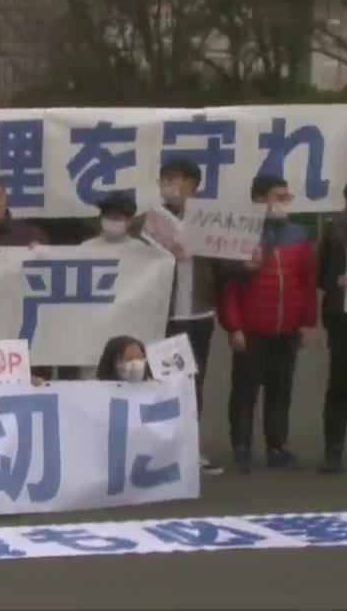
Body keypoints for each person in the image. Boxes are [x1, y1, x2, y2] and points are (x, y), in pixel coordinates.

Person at [131, 158, 230, 475]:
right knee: (162, 381)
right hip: (165, 314)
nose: (169, 184)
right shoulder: (146, 221)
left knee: (193, 382)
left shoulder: (210, 220)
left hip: (199, 313)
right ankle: (159, 449)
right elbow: (128, 260)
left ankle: (190, 449)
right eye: (164, 179)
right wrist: (163, 254)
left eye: (175, 178)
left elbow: (227, 267)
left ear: (192, 184)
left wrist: (248, 264)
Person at [219, 175, 317, 474]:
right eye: (278, 196)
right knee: (245, 391)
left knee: (280, 390)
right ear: (259, 199)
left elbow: (307, 283)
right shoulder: (239, 234)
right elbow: (229, 287)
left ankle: (276, 447)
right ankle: (242, 447)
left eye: (286, 197)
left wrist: (307, 322)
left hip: (286, 329)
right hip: (251, 329)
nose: (283, 202)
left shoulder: (298, 234)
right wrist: (234, 326)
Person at [316, 182, 347, 474]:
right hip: (342, 317)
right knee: (339, 384)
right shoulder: (334, 228)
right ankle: (333, 450)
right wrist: (333, 282)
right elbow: (320, 271)